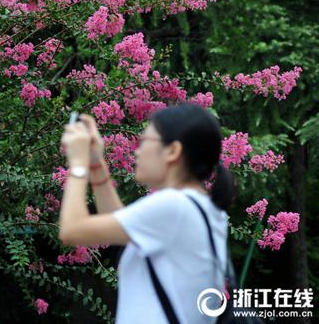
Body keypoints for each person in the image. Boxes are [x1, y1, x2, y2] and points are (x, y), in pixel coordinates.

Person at [58, 104, 235, 324]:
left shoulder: (173, 206)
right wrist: (95, 163)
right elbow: (118, 227)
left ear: (173, 151)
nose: (137, 150)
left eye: (145, 142)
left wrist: (77, 164)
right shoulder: (201, 208)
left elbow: (71, 230)